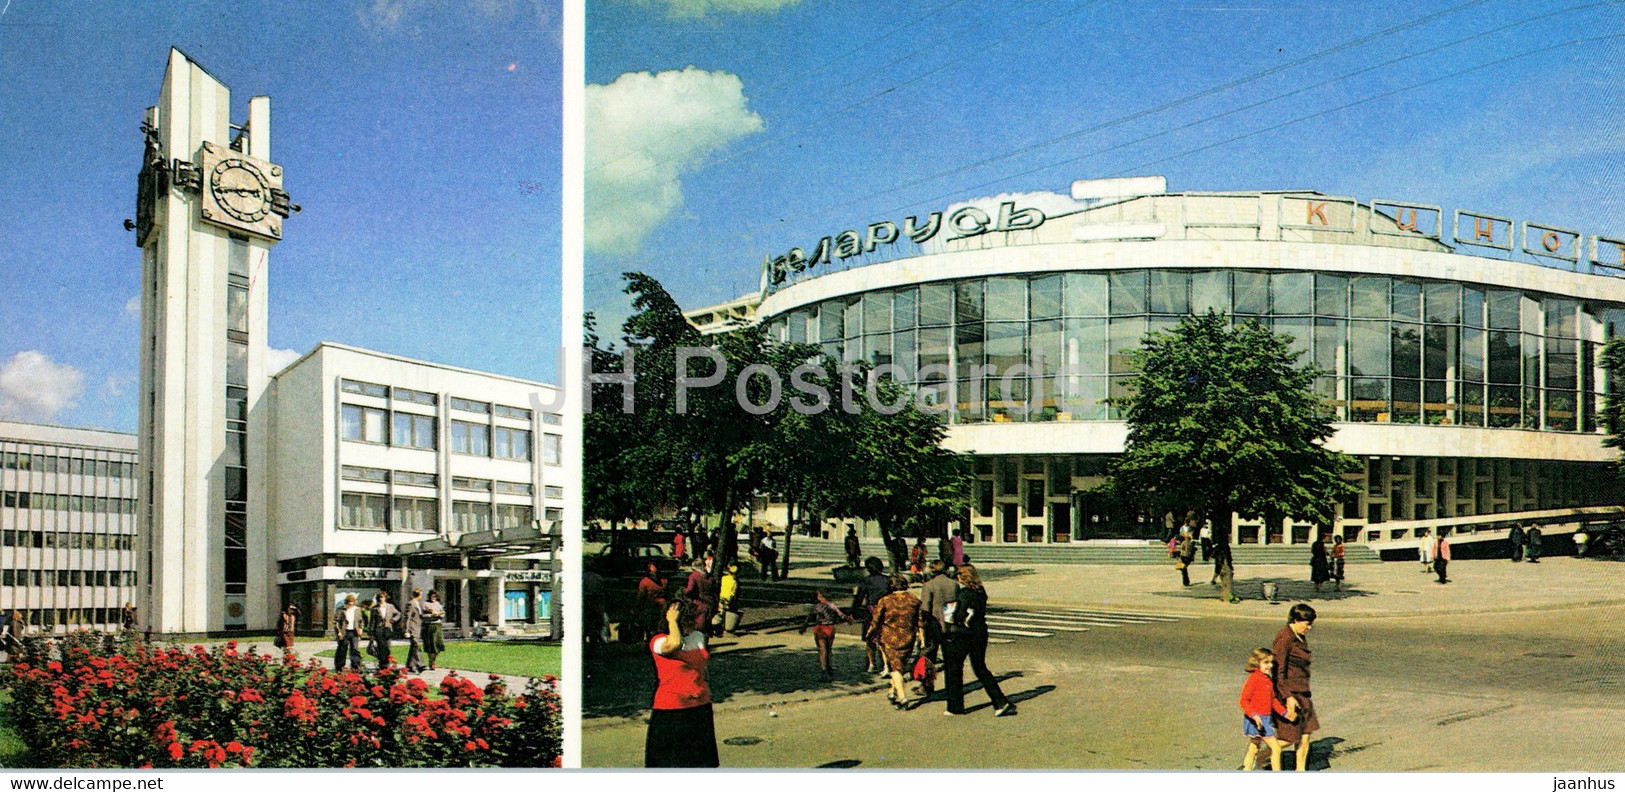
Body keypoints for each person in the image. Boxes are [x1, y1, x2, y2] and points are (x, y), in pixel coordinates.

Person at [645, 599, 718, 768]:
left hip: (700, 706)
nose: (692, 624)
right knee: (671, 764)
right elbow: (675, 643)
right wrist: (672, 621)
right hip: (671, 710)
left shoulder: (697, 637)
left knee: (701, 764)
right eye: (687, 620)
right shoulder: (658, 641)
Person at [942, 564, 1015, 717]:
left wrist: (949, 614)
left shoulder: (964, 594)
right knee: (980, 667)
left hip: (964, 633)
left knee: (954, 668)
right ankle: (1000, 700)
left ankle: (955, 706)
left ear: (962, 577)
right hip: (980, 631)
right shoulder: (981, 591)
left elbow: (958, 615)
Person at [1271, 603, 1319, 771]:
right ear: (1296, 620)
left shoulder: (1299, 637)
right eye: (1307, 624)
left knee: (1305, 735)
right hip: (1290, 694)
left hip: (1303, 693)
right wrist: (1288, 697)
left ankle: (1300, 771)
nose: (1310, 628)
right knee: (1289, 737)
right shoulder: (1284, 638)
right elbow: (1278, 671)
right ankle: (1258, 755)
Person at [866, 575, 922, 710]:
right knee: (899, 665)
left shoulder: (885, 600)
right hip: (908, 637)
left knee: (895, 668)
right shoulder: (914, 599)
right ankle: (893, 692)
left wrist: (870, 633)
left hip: (890, 637)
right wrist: (921, 637)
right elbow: (920, 620)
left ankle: (902, 697)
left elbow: (876, 620)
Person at [1238, 647, 1288, 771]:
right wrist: (1254, 715)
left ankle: (1247, 769)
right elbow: (1243, 700)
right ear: (1256, 663)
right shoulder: (1254, 678)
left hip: (1264, 718)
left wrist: (1284, 712)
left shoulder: (1267, 680)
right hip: (1257, 720)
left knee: (1254, 747)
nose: (1270, 665)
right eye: (1266, 662)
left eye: (1271, 662)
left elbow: (1272, 700)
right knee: (1275, 748)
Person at [800, 589, 850, 681]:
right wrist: (848, 619)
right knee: (829, 649)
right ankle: (829, 666)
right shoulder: (832, 605)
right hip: (830, 628)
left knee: (822, 649)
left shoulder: (817, 607)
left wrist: (804, 627)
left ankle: (824, 670)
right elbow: (842, 615)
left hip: (820, 628)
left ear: (821, 596)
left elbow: (809, 617)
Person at [852, 557, 891, 674]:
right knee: (884, 639)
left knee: (870, 638)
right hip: (885, 610)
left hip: (871, 611)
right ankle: (886, 664)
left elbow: (859, 597)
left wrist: (853, 611)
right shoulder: (887, 580)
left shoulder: (866, 581)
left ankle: (871, 663)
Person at [918, 560, 957, 667]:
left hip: (934, 622)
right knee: (950, 654)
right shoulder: (954, 584)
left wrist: (922, 626)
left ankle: (929, 677)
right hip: (950, 620)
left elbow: (925, 607)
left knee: (930, 654)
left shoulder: (929, 585)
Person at [369, 590, 401, 670]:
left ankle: (387, 664)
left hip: (387, 629)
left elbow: (398, 614)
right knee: (380, 648)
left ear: (385, 598)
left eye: (382, 597)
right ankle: (381, 664)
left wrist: (392, 620)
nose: (381, 599)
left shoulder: (390, 606)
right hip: (378, 629)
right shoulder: (375, 608)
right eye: (380, 597)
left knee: (387, 647)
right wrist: (371, 631)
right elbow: (372, 621)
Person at [683, 558, 716, 633]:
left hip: (699, 602)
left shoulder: (694, 576)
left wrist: (683, 592)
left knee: (698, 625)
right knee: (706, 624)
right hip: (710, 603)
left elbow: (690, 589)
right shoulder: (709, 577)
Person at [332, 594, 363, 672]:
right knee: (342, 649)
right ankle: (339, 666)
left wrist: (360, 629)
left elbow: (360, 620)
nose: (351, 605)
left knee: (355, 649)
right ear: (346, 603)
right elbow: (336, 622)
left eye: (352, 603)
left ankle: (356, 666)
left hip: (354, 632)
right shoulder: (341, 610)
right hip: (345, 632)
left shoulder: (357, 609)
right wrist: (338, 631)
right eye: (349, 603)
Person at [421, 590, 446, 671]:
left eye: (435, 596)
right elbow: (422, 615)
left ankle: (433, 660)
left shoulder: (437, 604)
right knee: (430, 645)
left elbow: (443, 613)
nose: (433, 598)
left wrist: (440, 614)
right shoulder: (425, 604)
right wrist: (431, 615)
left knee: (438, 644)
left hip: (437, 624)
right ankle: (431, 662)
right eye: (432, 596)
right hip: (429, 625)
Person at [403, 589, 427, 673]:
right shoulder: (411, 604)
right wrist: (406, 630)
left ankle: (409, 666)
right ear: (419, 595)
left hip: (417, 628)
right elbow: (407, 618)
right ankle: (420, 665)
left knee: (413, 647)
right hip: (412, 628)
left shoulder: (418, 604)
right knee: (416, 645)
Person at [717, 564, 739, 635]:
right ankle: (725, 627)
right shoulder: (734, 582)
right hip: (727, 599)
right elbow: (733, 593)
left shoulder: (723, 578)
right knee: (726, 613)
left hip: (720, 597)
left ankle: (718, 627)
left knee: (720, 613)